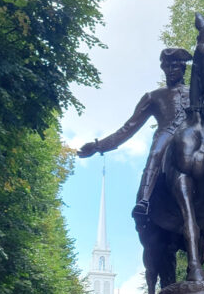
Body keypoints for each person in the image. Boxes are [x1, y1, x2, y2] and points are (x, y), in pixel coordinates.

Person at [78, 48, 193, 219]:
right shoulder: (153, 97)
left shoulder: (196, 92)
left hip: (193, 136)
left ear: (183, 68)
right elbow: (127, 129)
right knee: (155, 153)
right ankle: (145, 200)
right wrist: (97, 146)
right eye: (166, 67)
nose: (169, 71)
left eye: (174, 67)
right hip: (167, 133)